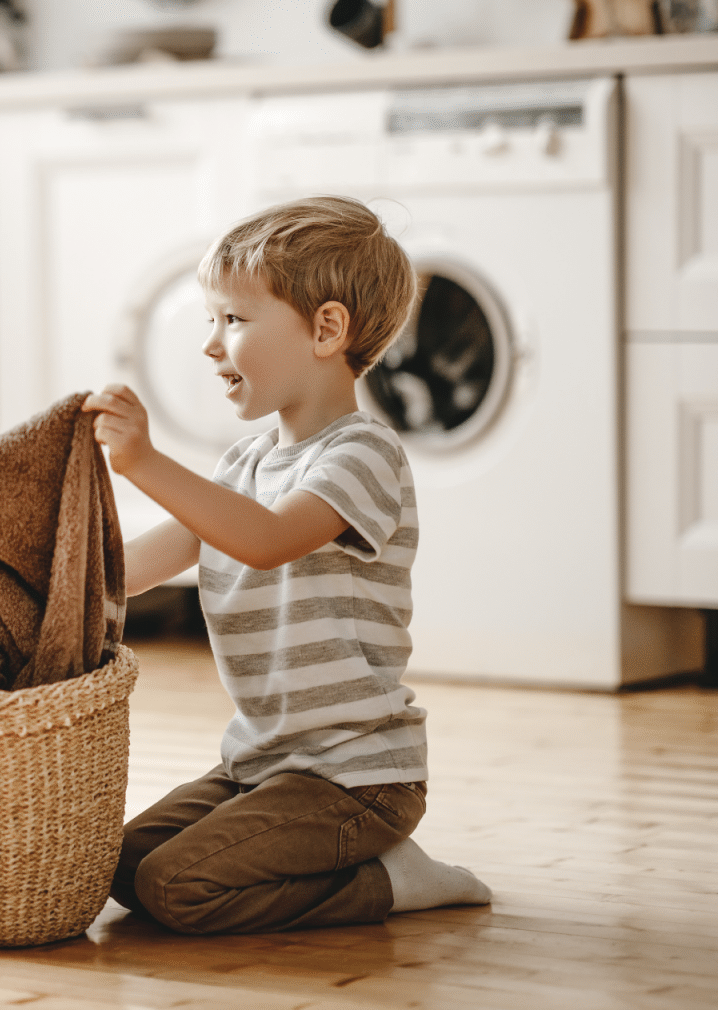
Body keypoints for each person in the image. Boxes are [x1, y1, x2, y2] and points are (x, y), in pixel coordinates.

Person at [82, 196, 491, 935]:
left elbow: (268, 538)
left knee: (178, 888)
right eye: (212, 320)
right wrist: (57, 576)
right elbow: (144, 563)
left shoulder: (362, 454)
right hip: (264, 764)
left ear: (327, 330)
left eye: (233, 321)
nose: (211, 345)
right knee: (118, 868)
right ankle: (342, 863)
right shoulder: (244, 461)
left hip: (358, 778)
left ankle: (392, 880)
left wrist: (141, 461)